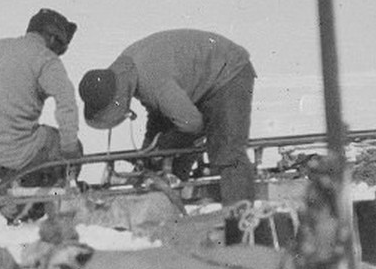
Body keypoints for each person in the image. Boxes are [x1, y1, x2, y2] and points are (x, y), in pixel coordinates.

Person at [79, 28, 257, 204]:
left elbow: (192, 124)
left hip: (228, 73)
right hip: (195, 79)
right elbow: (159, 112)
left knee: (226, 151)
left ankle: (241, 217)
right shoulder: (125, 73)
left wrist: (163, 144)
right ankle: (167, 202)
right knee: (159, 154)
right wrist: (149, 151)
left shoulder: (152, 80)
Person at [0, 8, 83, 186]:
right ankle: (56, 197)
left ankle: (27, 188)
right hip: (13, 152)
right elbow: (67, 105)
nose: (59, 54)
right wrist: (70, 149)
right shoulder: (46, 59)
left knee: (37, 138)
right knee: (68, 147)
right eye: (61, 48)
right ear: (52, 38)